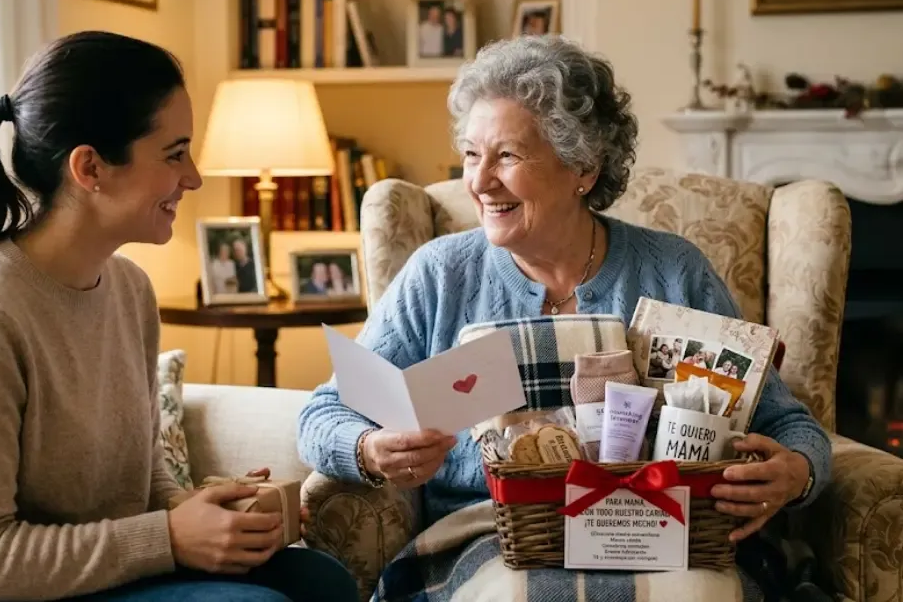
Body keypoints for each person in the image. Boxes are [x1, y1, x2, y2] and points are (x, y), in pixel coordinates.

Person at [296, 35, 830, 598]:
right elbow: (322, 413)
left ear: (583, 166)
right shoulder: (440, 273)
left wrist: (797, 472)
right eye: (472, 154)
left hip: (662, 535)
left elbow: (790, 424)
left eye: (508, 156)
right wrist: (369, 449)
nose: (478, 182)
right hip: (491, 538)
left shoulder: (675, 271)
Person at [0, 30, 358, 602]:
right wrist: (168, 537)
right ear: (90, 167)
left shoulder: (129, 290)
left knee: (324, 582)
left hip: (80, 579)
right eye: (174, 154)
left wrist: (208, 512)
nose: (192, 177)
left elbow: (138, 485)